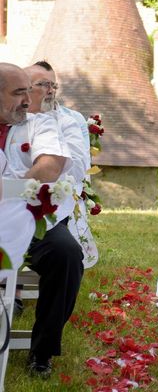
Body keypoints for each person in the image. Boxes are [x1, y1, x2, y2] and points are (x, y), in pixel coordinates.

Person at [0, 63, 84, 378]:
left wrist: (10, 192)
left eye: (28, 91)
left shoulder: (40, 124)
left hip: (33, 219)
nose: (27, 99)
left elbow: (51, 165)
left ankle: (42, 351)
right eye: (18, 92)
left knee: (66, 255)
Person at [24, 60, 98, 268]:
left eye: (53, 85)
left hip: (49, 209)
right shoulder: (10, 119)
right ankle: (13, 292)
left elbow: (76, 168)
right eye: (43, 84)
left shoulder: (68, 121)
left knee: (66, 254)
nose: (51, 91)